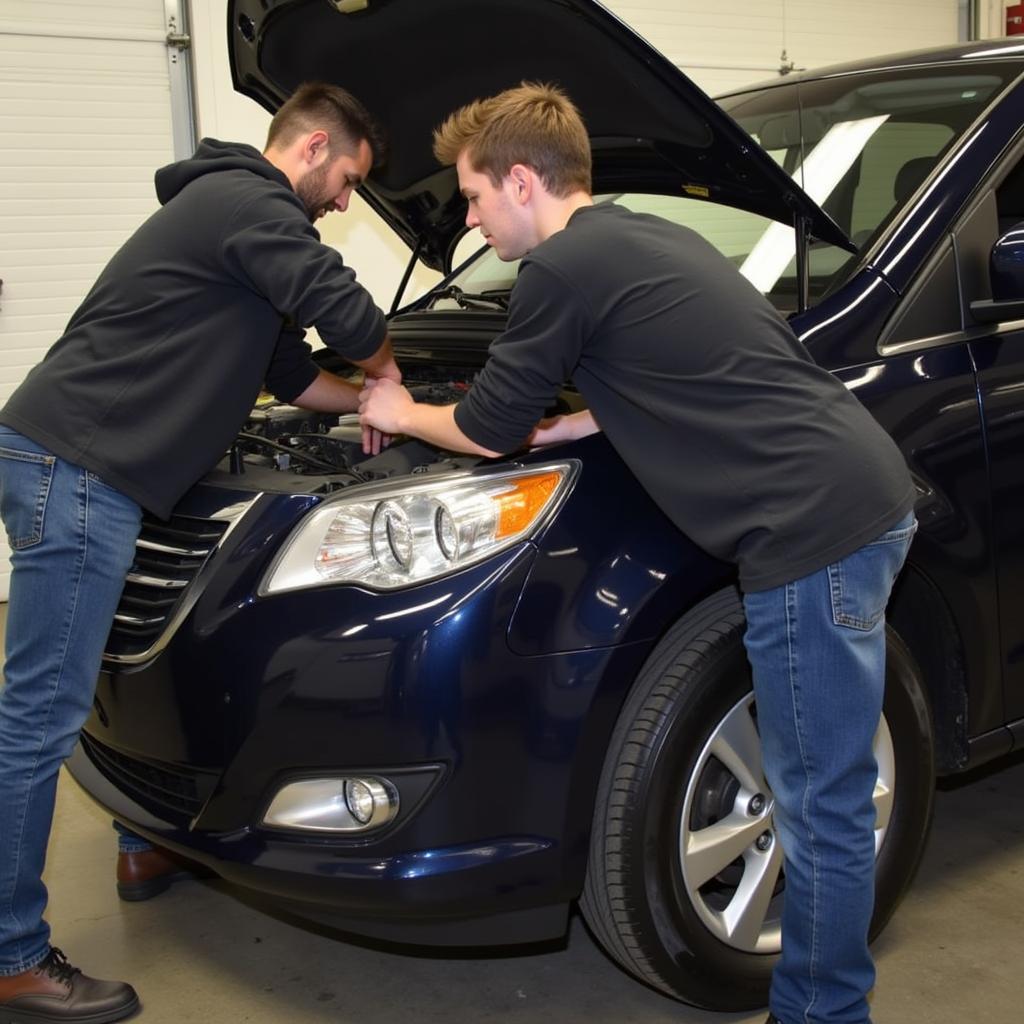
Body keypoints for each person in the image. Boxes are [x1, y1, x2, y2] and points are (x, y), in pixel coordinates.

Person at [357, 82, 916, 1024]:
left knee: (817, 803)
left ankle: (824, 1014)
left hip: (813, 530)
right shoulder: (644, 236)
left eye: (473, 195)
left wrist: (397, 409)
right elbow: (692, 360)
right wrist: (574, 421)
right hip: (856, 498)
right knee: (824, 786)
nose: (469, 216)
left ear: (523, 182)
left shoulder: (560, 271)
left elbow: (490, 425)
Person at [0, 81, 400, 1023]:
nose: (346, 203)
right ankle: (13, 956)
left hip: (93, 471)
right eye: (348, 180)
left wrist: (380, 410)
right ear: (310, 150)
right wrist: (385, 365)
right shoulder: (248, 203)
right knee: (39, 720)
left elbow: (295, 376)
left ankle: (150, 841)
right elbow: (345, 318)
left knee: (129, 679)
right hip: (81, 468)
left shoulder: (232, 225)